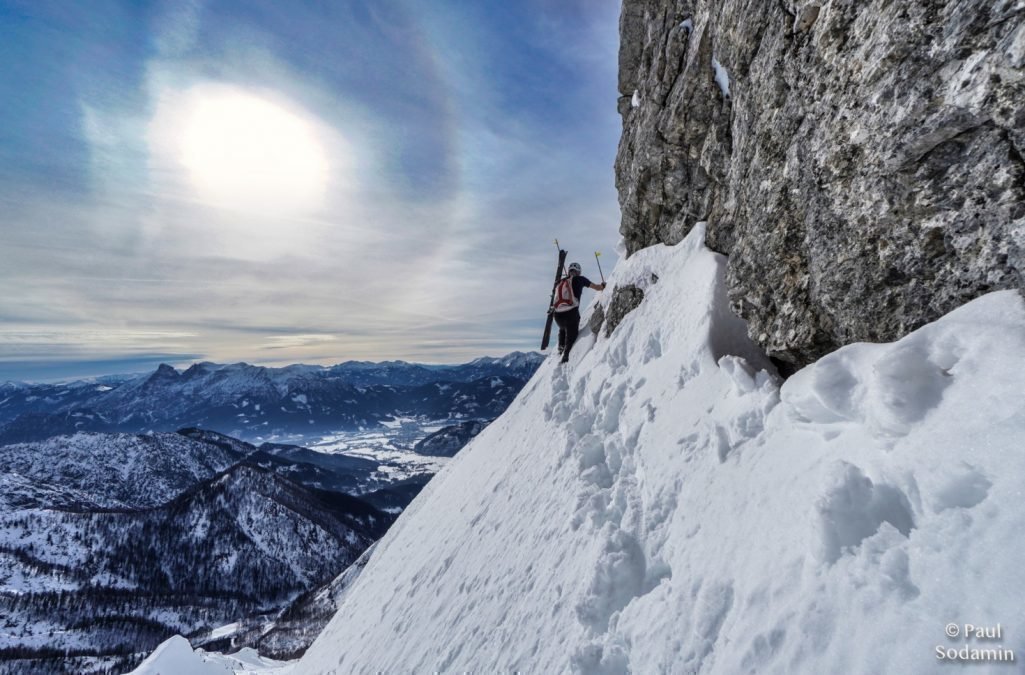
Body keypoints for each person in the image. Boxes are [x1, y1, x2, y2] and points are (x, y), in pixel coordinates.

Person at [552, 262, 606, 364]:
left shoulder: (560, 282)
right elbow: (597, 287)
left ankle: (560, 347)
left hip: (557, 316)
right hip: (571, 314)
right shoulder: (581, 279)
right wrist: (603, 286)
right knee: (572, 334)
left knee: (563, 328)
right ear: (578, 271)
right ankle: (566, 357)